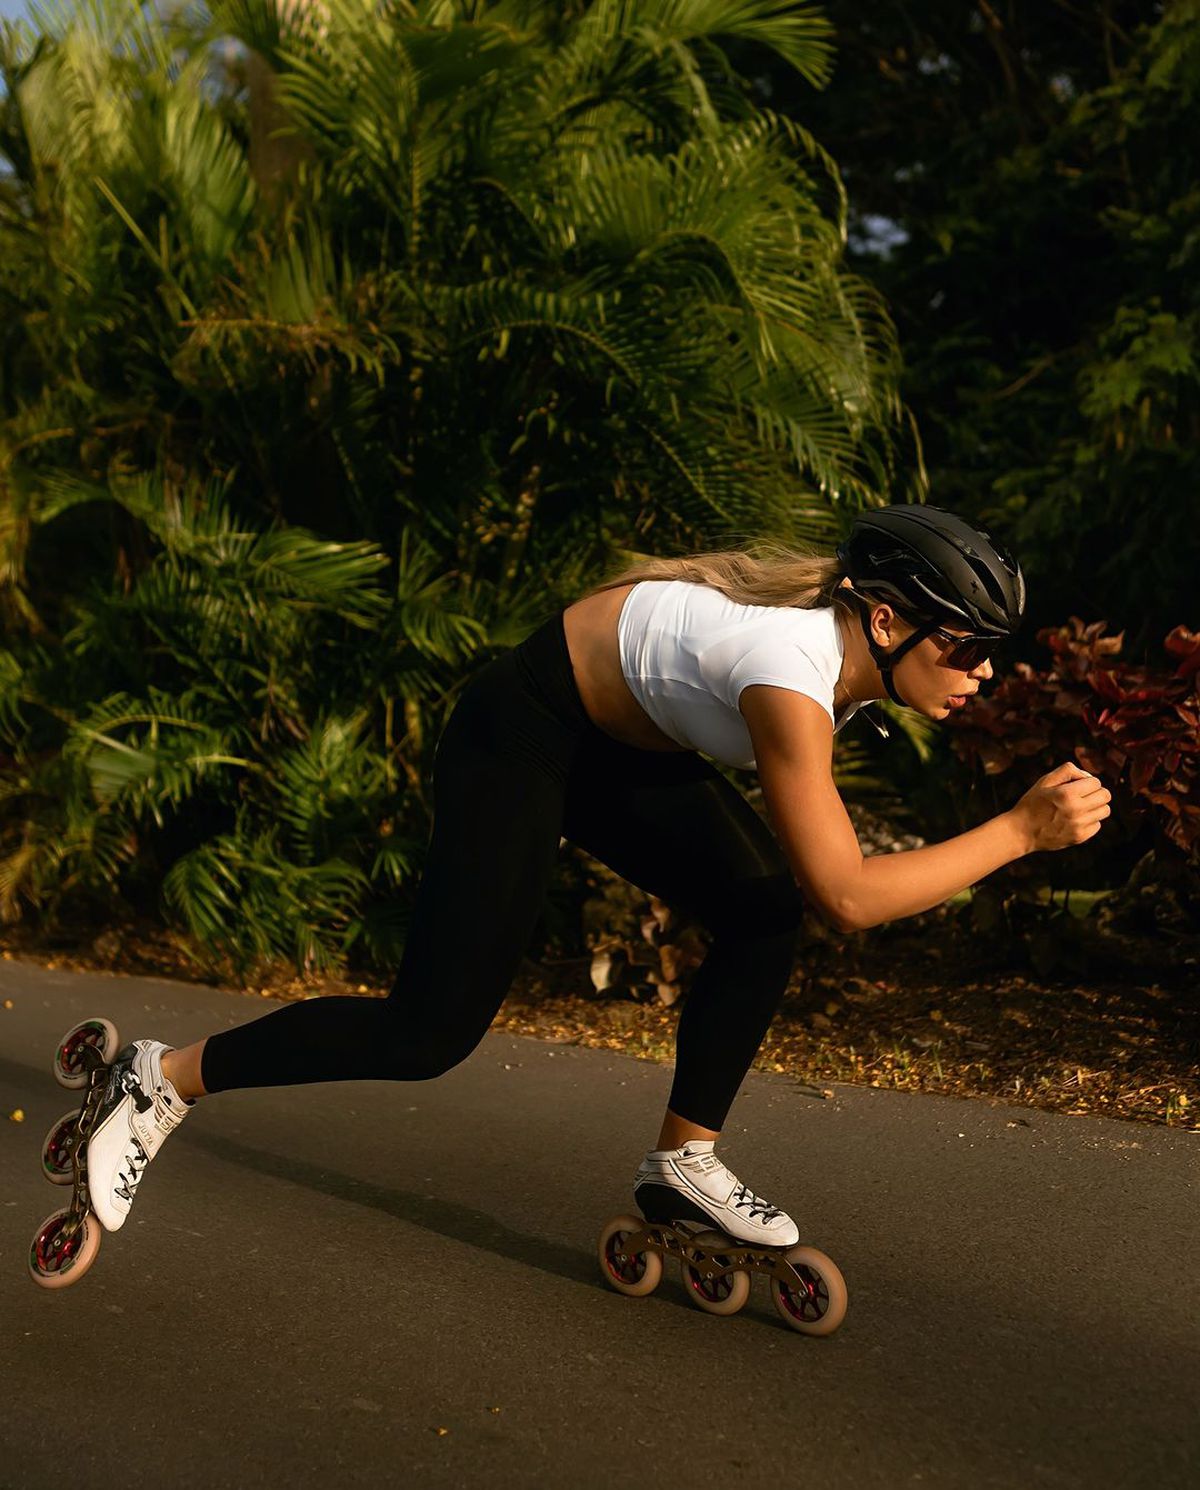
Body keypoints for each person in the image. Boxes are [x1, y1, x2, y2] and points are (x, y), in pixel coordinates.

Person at [85, 503, 1111, 1246]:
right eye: (967, 647)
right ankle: (161, 1078)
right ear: (887, 622)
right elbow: (846, 895)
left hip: (622, 743)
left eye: (990, 650)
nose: (983, 671)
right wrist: (1020, 832)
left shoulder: (843, 657)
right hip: (524, 731)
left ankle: (682, 1163)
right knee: (428, 1032)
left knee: (761, 909)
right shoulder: (791, 671)